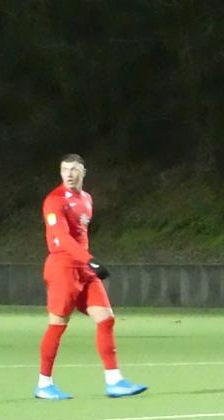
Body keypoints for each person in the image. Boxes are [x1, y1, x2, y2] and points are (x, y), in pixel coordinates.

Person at [35, 154, 147, 399]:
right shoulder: (54, 200)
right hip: (63, 268)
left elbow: (80, 236)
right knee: (57, 325)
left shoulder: (86, 199)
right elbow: (62, 238)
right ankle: (44, 384)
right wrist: (90, 260)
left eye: (74, 169)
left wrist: (86, 262)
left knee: (106, 319)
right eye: (65, 169)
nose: (69, 174)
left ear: (83, 172)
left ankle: (114, 381)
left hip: (83, 268)